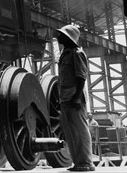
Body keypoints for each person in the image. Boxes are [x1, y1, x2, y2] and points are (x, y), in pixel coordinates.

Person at [56, 25, 96, 172]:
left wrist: (77, 98)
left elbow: (81, 77)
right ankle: (78, 163)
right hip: (66, 97)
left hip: (74, 97)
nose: (58, 37)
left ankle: (86, 163)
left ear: (68, 37)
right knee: (71, 131)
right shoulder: (65, 53)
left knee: (80, 130)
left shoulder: (77, 53)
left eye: (61, 35)